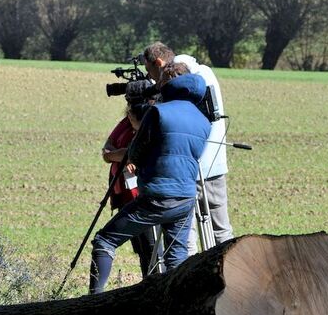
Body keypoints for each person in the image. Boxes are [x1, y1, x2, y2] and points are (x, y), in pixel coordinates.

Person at [89, 63, 210, 294]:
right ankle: (176, 311)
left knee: (104, 241)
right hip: (185, 197)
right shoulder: (202, 119)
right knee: (176, 258)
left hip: (156, 195)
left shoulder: (157, 112)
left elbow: (134, 153)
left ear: (166, 84)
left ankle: (93, 302)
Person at [142, 42, 233, 251]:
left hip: (187, 168)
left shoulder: (181, 83)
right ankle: (229, 276)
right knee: (222, 233)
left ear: (159, 63)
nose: (154, 81)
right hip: (215, 164)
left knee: (183, 236)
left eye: (151, 72)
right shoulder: (205, 72)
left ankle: (187, 280)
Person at [101, 98, 155, 278]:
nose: (127, 113)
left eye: (131, 112)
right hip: (124, 193)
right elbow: (107, 151)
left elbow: (131, 153)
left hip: (141, 197)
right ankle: (145, 283)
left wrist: (121, 154)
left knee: (150, 246)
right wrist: (121, 155)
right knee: (140, 248)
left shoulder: (150, 128)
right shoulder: (125, 123)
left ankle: (152, 283)